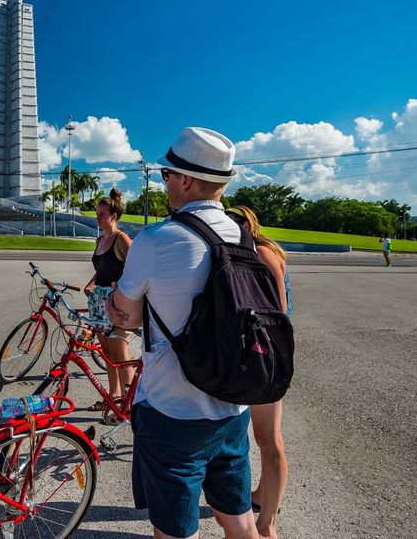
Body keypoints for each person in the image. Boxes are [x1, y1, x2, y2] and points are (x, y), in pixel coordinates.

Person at [106, 126, 260, 539]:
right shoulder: (243, 237)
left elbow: (127, 316)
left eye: (166, 176)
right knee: (239, 518)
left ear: (186, 180)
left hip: (172, 410)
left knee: (175, 530)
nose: (166, 183)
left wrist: (115, 307)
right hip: (232, 407)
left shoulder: (157, 239)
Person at [225, 205, 290, 539]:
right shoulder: (249, 250)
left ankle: (268, 523)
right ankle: (263, 495)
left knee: (268, 439)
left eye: (232, 223)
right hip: (257, 351)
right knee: (260, 438)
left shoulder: (261, 252)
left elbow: (278, 310)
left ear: (245, 226)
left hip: (266, 353)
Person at [82, 188, 133, 409]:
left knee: (120, 353)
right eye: (97, 213)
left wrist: (121, 292)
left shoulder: (120, 239)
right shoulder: (99, 240)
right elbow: (103, 268)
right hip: (98, 302)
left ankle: (130, 403)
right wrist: (92, 284)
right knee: (107, 353)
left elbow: (135, 269)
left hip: (115, 302)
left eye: (102, 214)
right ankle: (113, 396)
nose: (97, 217)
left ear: (114, 216)